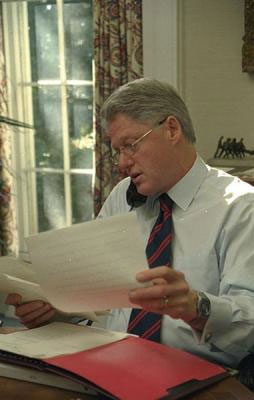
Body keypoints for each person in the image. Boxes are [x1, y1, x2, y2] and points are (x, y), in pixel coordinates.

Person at [5, 78, 254, 369]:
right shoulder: (123, 195)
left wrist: (194, 305)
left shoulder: (240, 208)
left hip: (195, 373)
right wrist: (59, 311)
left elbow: (250, 323)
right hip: (109, 362)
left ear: (172, 129)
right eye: (117, 150)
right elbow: (101, 302)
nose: (122, 163)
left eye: (130, 145)